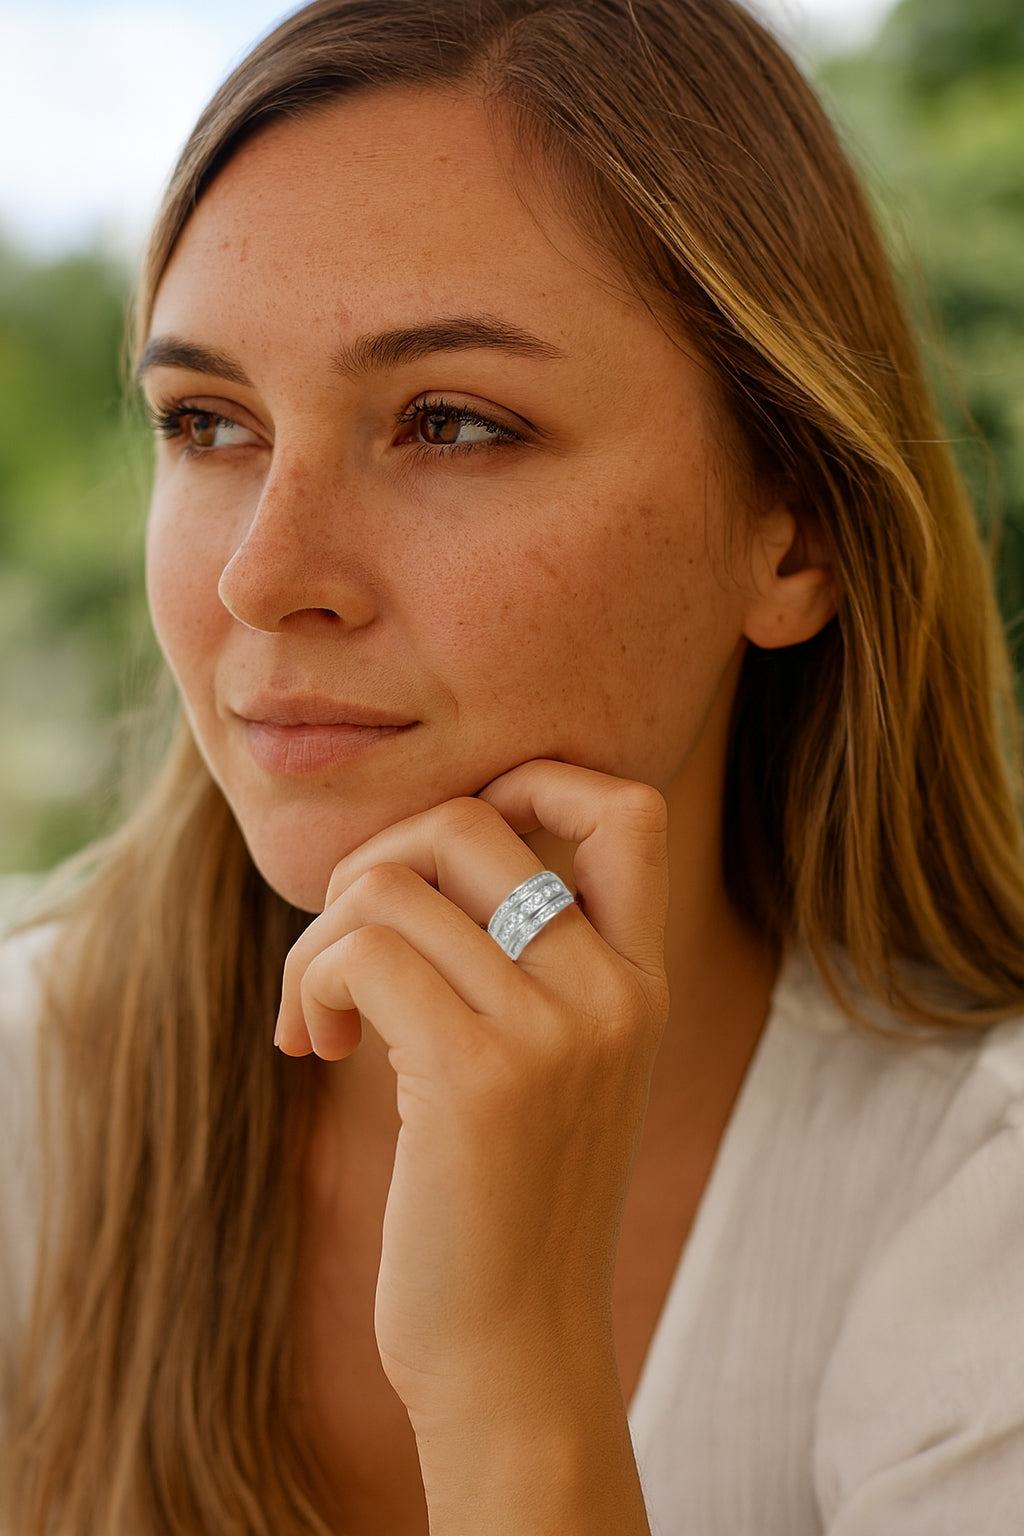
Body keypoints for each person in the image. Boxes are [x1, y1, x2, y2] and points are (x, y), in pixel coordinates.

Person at [2, 0, 1023, 1530]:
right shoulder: (26, 1099)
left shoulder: (982, 1204)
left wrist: (513, 1373)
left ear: (795, 532)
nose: (262, 577)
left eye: (453, 424)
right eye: (208, 424)